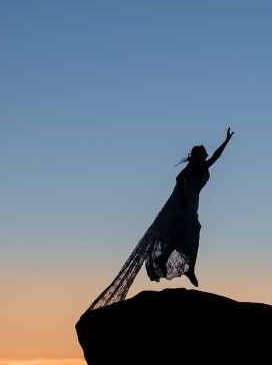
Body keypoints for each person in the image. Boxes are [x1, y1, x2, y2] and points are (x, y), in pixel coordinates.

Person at [86, 128, 234, 311]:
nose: (207, 151)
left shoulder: (203, 166)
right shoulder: (195, 166)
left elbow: (217, 156)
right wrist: (184, 198)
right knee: (191, 230)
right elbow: (178, 178)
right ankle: (186, 268)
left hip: (190, 202)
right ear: (199, 154)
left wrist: (226, 140)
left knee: (188, 233)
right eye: (204, 150)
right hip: (184, 202)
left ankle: (168, 260)